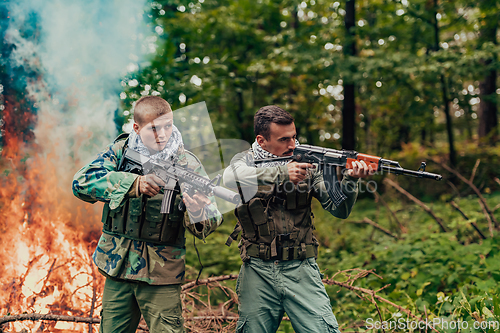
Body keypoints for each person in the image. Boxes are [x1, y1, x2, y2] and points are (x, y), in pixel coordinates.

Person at [72, 96, 223, 333]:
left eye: (168, 126)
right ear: (136, 128)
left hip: (162, 273)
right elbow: (82, 183)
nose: (163, 134)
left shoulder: (187, 163)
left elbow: (213, 218)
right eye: (154, 128)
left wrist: (196, 211)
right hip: (117, 266)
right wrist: (133, 183)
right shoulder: (121, 151)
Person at [223, 105, 373, 333]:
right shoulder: (245, 160)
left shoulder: (309, 163)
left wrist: (351, 180)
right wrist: (282, 173)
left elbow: (339, 209)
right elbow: (229, 178)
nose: (292, 145)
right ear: (261, 140)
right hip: (257, 270)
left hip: (301, 268)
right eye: (284, 139)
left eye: (294, 137)